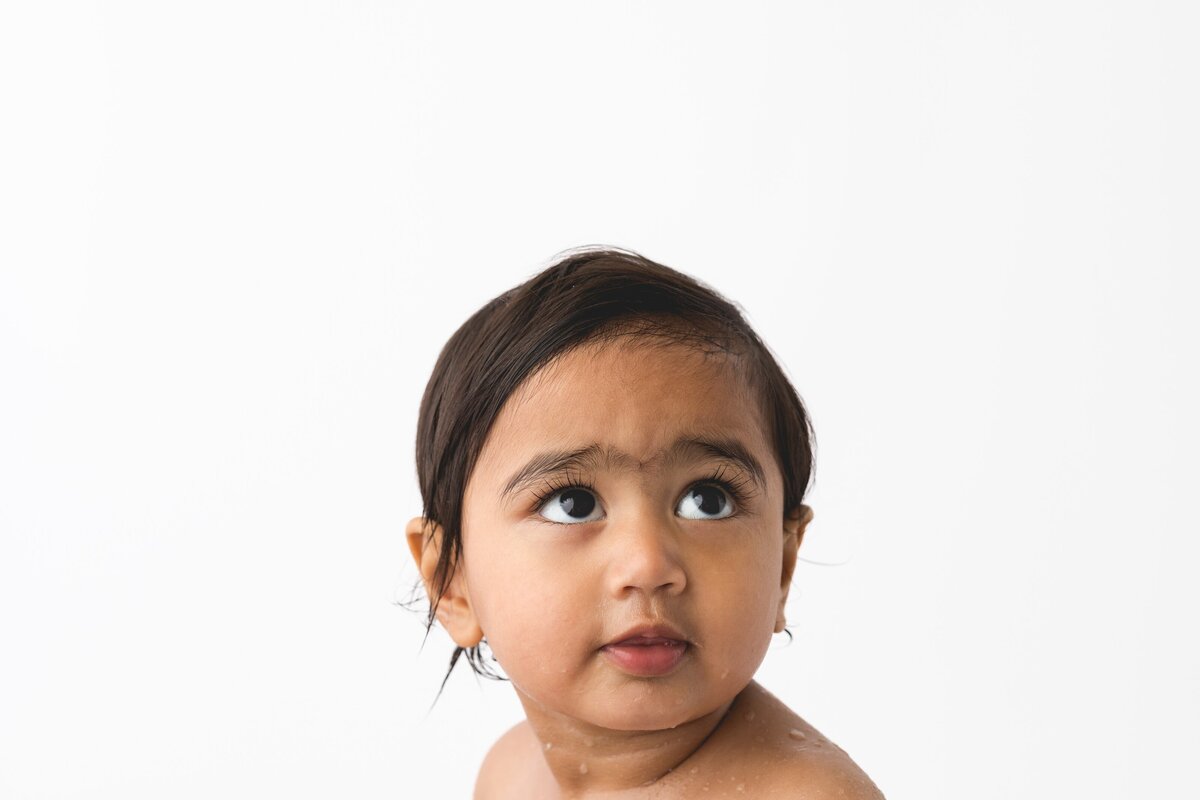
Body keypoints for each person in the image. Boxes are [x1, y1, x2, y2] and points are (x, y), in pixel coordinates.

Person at [405, 247, 885, 798]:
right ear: (452, 583)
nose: (649, 564)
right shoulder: (512, 776)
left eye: (708, 500)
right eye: (573, 504)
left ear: (783, 566)